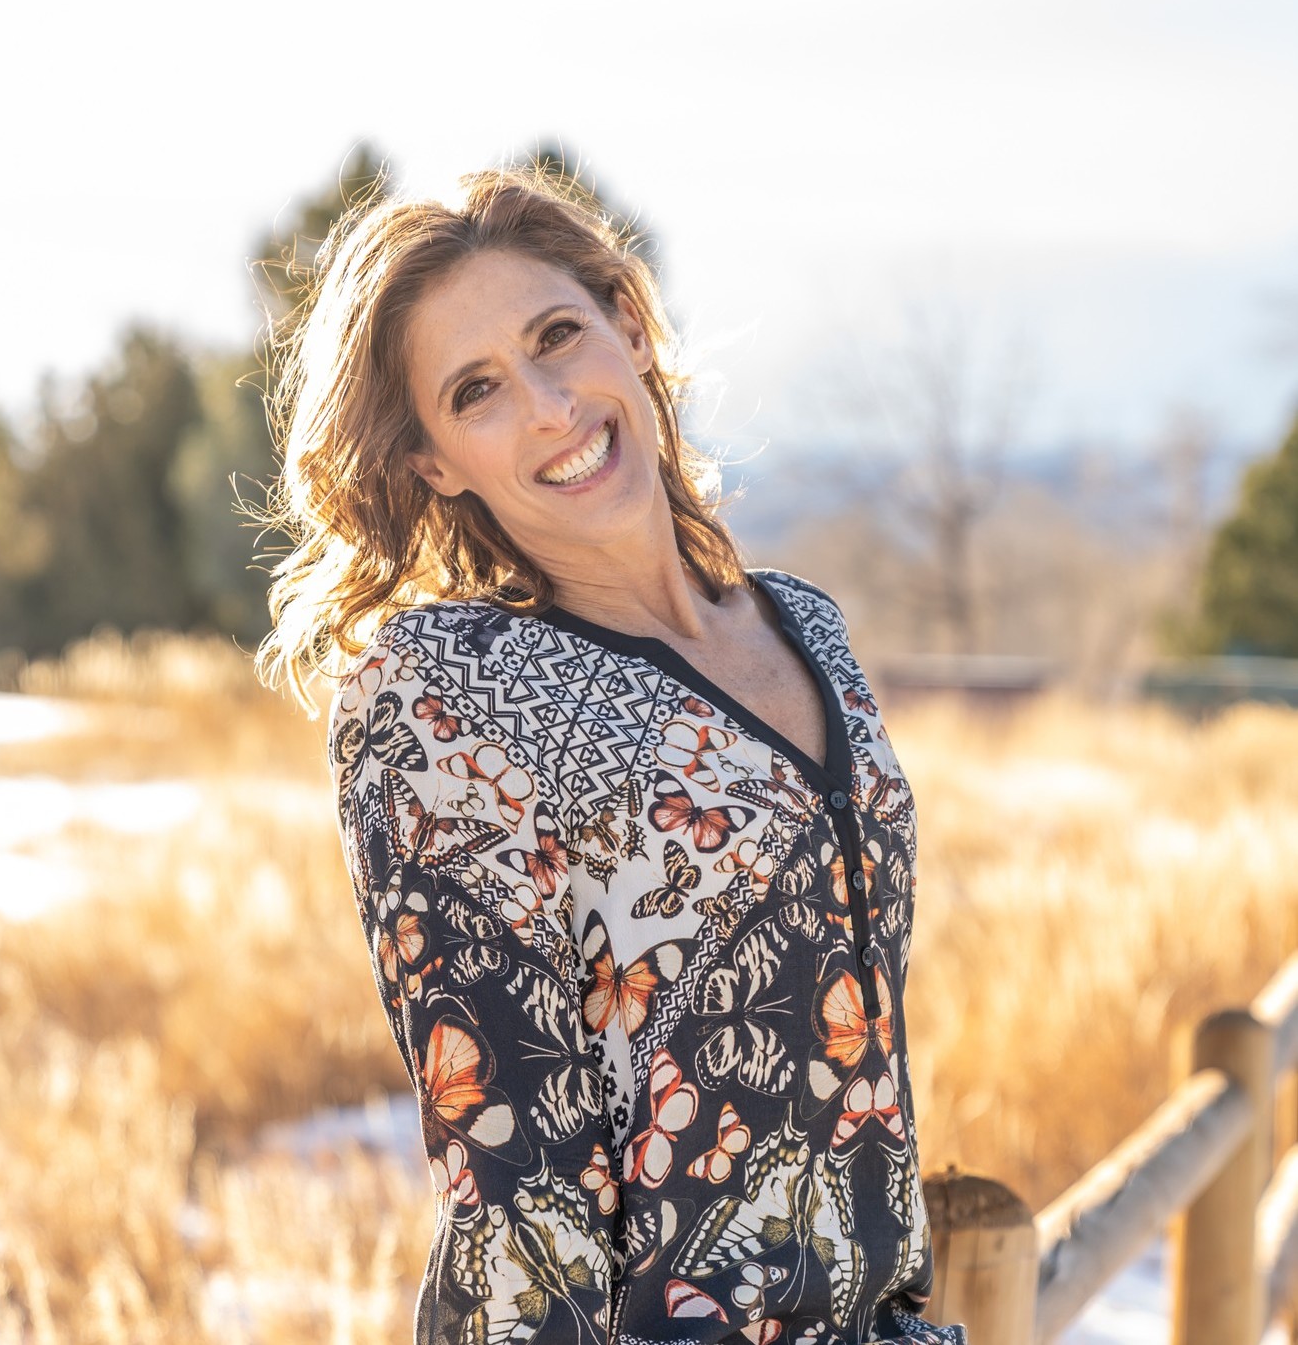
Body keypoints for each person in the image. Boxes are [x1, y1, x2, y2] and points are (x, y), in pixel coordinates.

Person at [259, 168, 967, 1345]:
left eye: (557, 336)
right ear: (435, 461)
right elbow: (513, 1189)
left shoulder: (809, 627)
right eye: (477, 391)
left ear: (630, 329)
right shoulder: (443, 695)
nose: (548, 406)